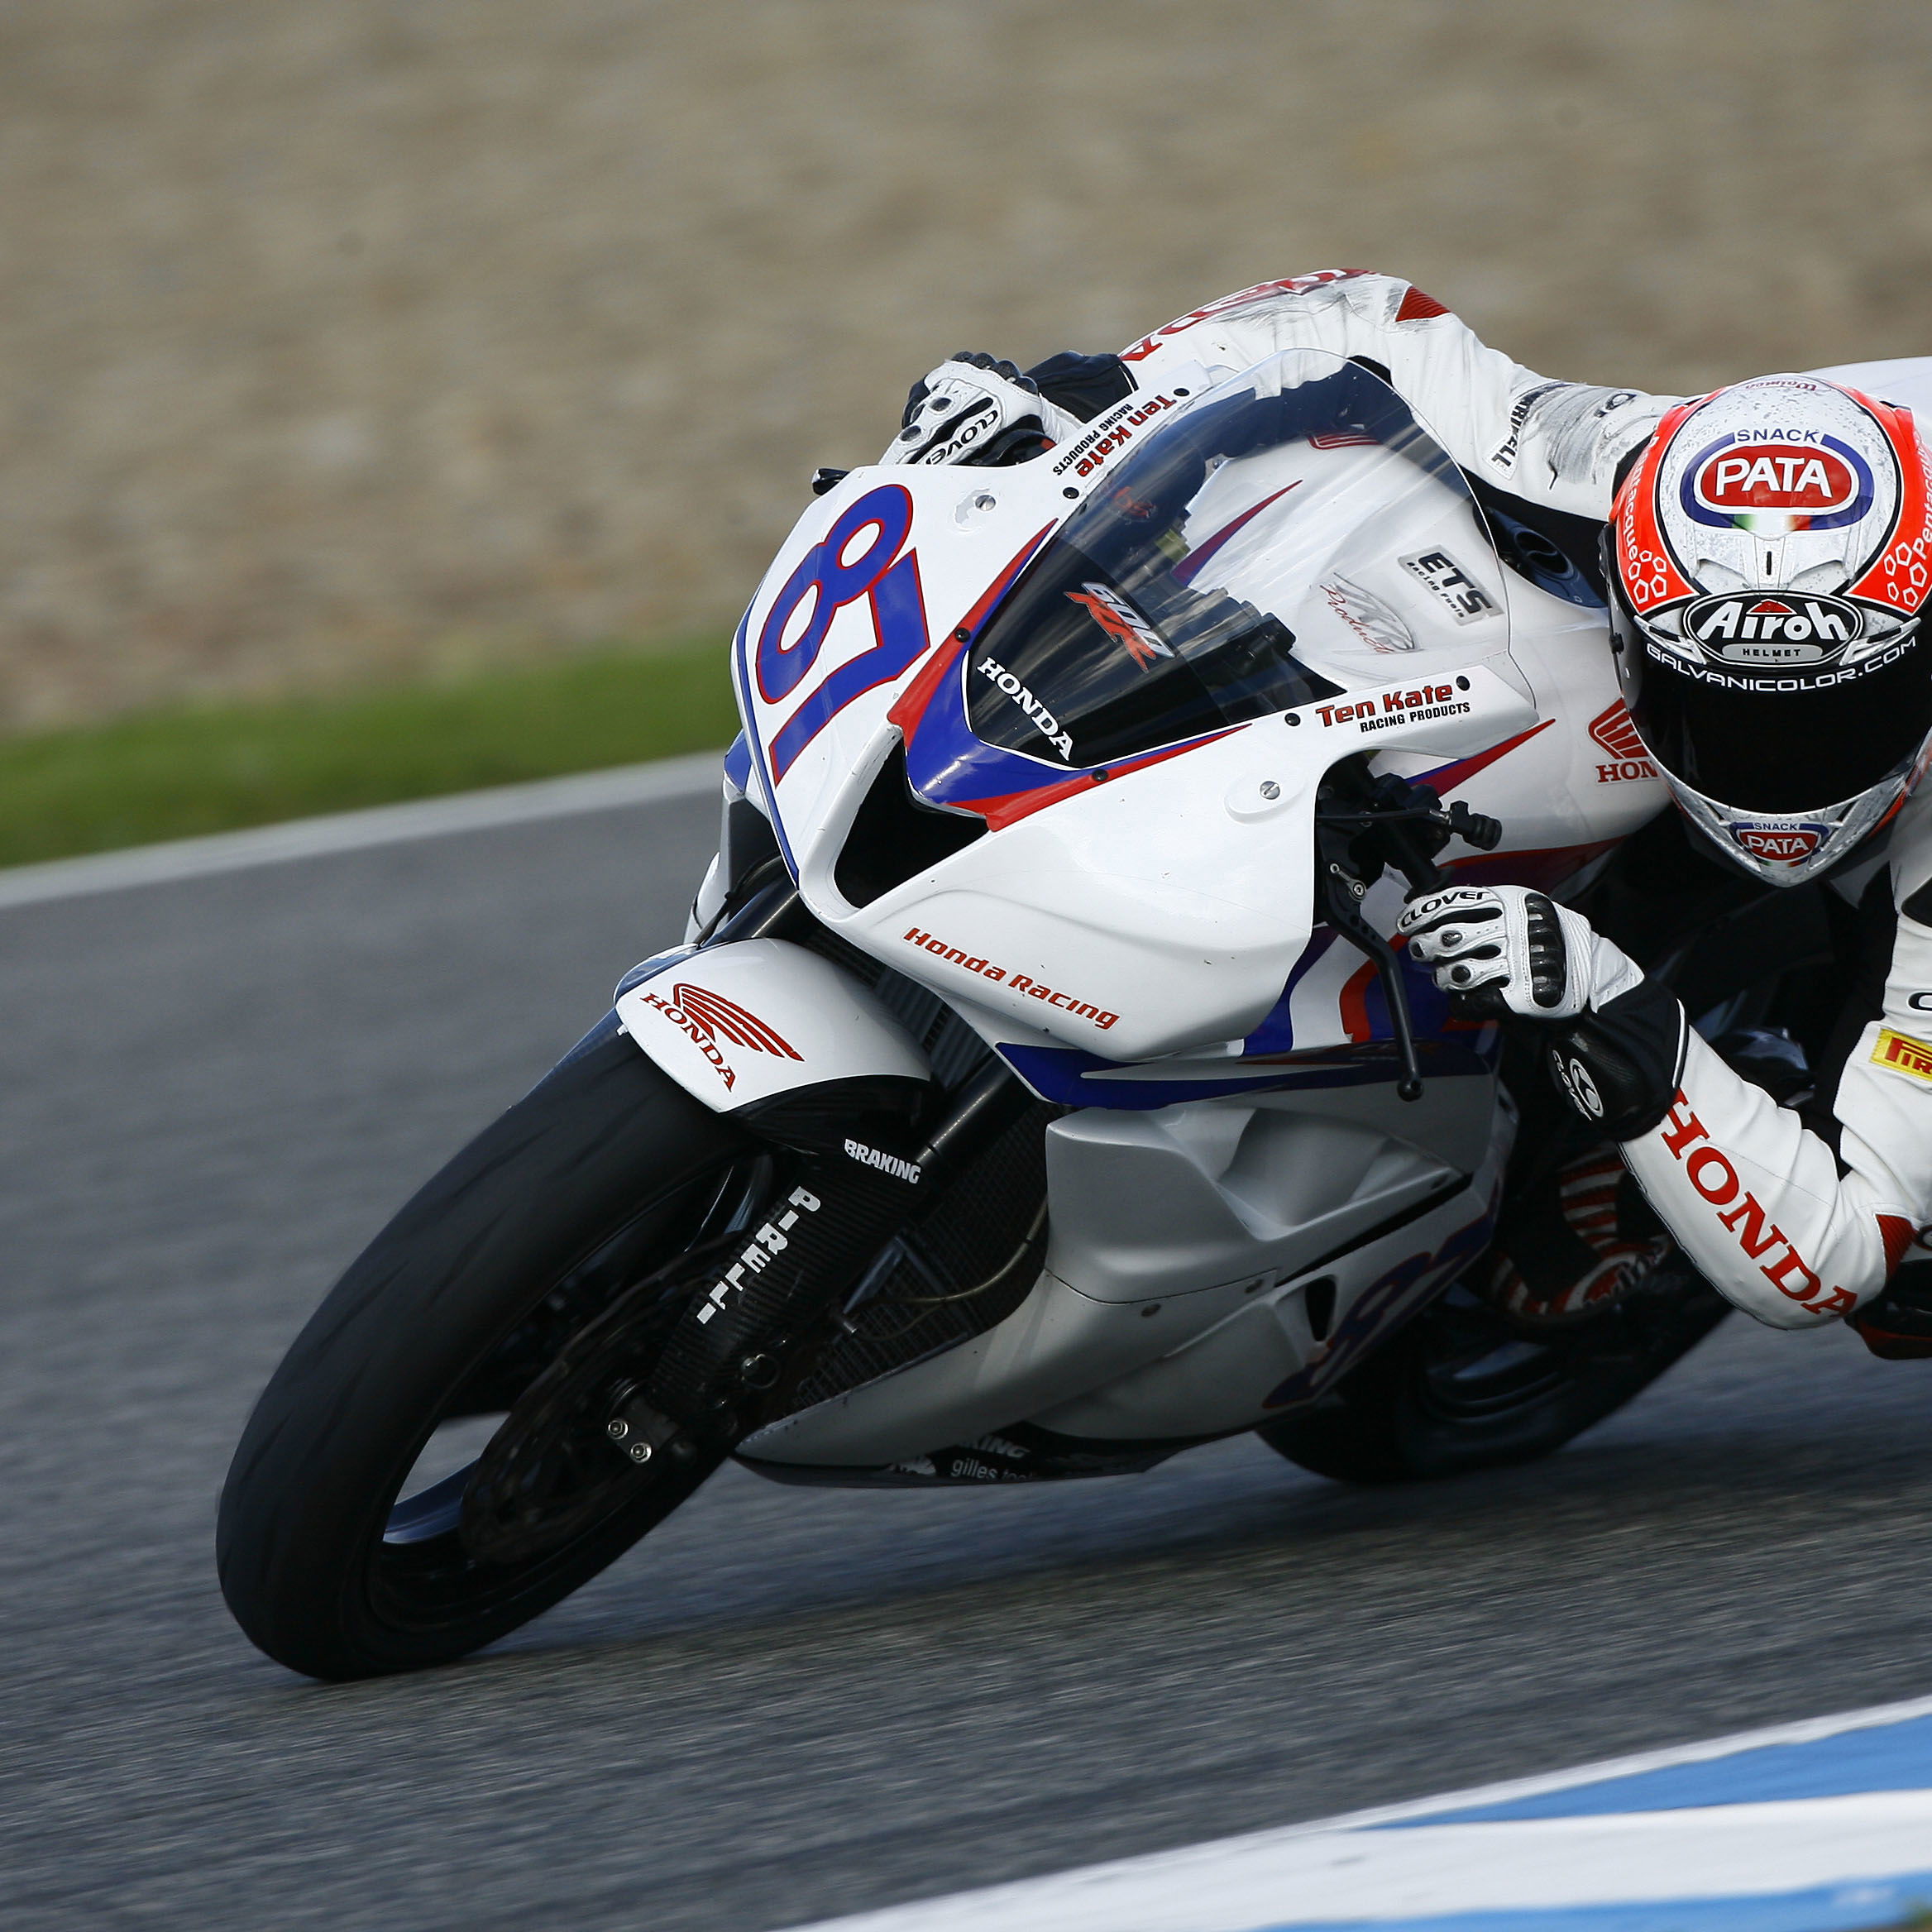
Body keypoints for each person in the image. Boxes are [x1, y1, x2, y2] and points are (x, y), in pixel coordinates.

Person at [877, 272, 1932, 1356]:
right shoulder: (1622, 461)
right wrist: (1073, 399)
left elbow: (1829, 1258)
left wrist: (1599, 991)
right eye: (1715, 709)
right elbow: (1362, 321)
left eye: (1836, 721)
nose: (1774, 770)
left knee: (1907, 1287)